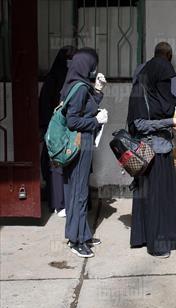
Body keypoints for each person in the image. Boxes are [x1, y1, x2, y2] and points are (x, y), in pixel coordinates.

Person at [127, 43, 176, 258]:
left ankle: (145, 237)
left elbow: (170, 111)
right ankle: (156, 245)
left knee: (159, 198)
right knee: (154, 199)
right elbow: (140, 124)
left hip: (162, 148)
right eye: (164, 81)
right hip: (149, 151)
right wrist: (167, 122)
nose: (167, 86)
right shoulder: (140, 91)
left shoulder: (155, 89)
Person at [62, 48, 108, 258]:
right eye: (92, 65)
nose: (94, 69)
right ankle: (75, 239)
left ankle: (83, 233)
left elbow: (85, 109)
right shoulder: (79, 88)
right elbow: (73, 121)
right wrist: (96, 121)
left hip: (83, 145)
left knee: (80, 191)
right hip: (80, 145)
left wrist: (98, 90)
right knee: (78, 194)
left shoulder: (77, 84)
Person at [39, 45, 76, 218]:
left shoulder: (74, 79)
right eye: (67, 57)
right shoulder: (53, 79)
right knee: (56, 165)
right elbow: (45, 104)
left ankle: (66, 202)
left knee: (69, 164)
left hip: (71, 129)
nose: (70, 61)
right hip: (56, 130)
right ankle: (58, 202)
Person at [132, 42, 176, 109]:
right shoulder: (166, 69)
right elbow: (174, 100)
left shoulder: (139, 68)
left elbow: (136, 91)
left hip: (138, 110)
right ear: (169, 55)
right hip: (156, 115)